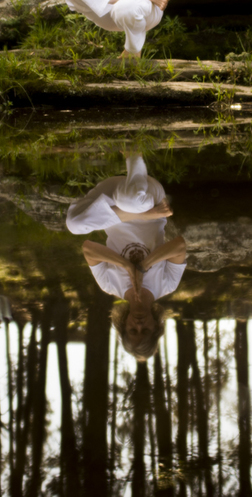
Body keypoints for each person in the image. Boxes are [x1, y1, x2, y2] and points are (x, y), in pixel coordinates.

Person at [66, 153, 188, 359]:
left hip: (111, 202)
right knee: (133, 200)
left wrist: (127, 265)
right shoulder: (167, 285)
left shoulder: (109, 285)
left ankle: (134, 172)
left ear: (123, 326)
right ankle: (133, 150)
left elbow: (88, 248)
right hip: (149, 201)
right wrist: (144, 265)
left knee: (74, 225)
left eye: (133, 331)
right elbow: (179, 246)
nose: (139, 325)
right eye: (146, 331)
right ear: (156, 327)